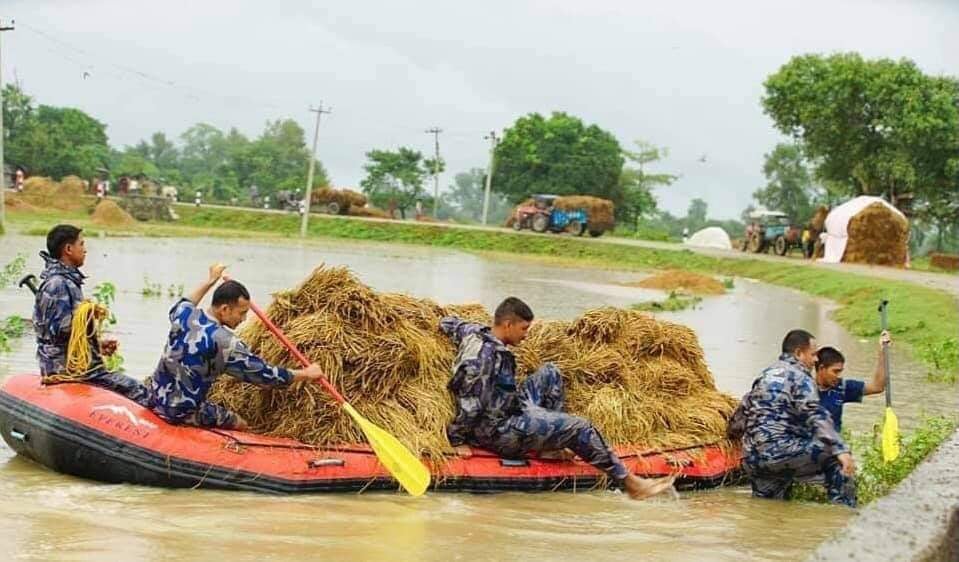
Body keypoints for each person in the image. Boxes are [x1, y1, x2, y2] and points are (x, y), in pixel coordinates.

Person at [440, 297, 676, 500]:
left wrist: (440, 320)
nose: (526, 335)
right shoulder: (483, 359)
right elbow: (471, 402)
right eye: (523, 329)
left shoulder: (475, 331)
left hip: (509, 406)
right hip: (499, 431)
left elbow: (450, 323)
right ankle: (631, 484)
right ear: (508, 324)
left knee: (550, 372)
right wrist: (458, 439)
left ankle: (550, 447)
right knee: (581, 427)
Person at [146, 265, 325, 429]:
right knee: (240, 423)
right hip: (181, 412)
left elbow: (186, 301)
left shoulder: (184, 315)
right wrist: (307, 374)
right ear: (225, 309)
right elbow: (266, 376)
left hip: (154, 397)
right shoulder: (226, 343)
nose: (244, 319)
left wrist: (210, 281)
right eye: (242, 313)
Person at [728, 329, 856, 507]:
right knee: (836, 460)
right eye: (813, 354)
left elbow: (740, 417)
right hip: (782, 454)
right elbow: (815, 414)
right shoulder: (801, 378)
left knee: (766, 507)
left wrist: (732, 438)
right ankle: (843, 515)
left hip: (754, 460)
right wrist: (840, 450)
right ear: (798, 353)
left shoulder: (765, 375)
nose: (816, 360)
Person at [33, 225, 150, 405]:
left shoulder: (66, 281)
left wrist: (97, 345)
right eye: (81, 244)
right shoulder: (58, 284)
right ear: (68, 249)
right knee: (139, 390)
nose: (85, 249)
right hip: (69, 370)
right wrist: (87, 313)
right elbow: (58, 332)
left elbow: (68, 336)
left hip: (75, 365)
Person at [815, 331, 890, 432]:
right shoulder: (803, 389)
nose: (838, 376)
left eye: (840, 371)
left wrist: (882, 353)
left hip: (834, 441)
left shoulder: (842, 387)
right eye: (835, 371)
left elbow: (877, 387)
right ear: (821, 368)